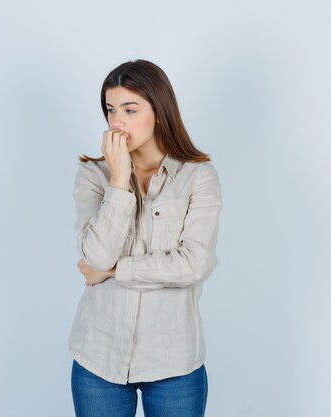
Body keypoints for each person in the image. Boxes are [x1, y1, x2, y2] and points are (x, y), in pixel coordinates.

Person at [68, 59, 222, 417]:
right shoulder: (93, 175)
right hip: (98, 359)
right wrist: (119, 179)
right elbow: (97, 256)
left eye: (130, 109)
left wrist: (114, 273)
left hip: (173, 362)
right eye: (110, 109)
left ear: (159, 111)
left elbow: (194, 264)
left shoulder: (198, 177)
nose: (117, 121)